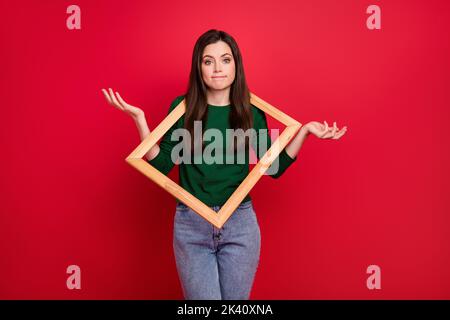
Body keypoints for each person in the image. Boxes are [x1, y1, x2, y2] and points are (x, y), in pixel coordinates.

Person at [101, 29, 347, 300]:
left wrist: (304, 131)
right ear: (199, 68)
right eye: (208, 61)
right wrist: (140, 119)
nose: (218, 68)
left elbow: (273, 167)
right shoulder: (182, 108)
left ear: (236, 65)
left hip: (240, 223)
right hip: (191, 223)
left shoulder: (252, 111)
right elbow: (159, 165)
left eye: (225, 59)